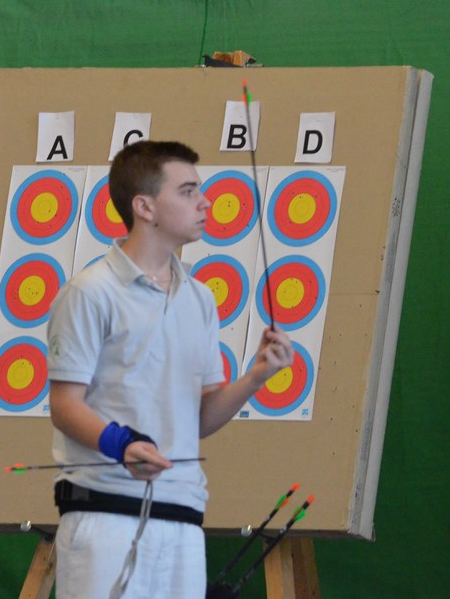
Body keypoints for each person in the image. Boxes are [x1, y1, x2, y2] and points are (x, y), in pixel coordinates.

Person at [47, 140, 293, 598]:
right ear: (144, 207)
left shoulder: (200, 298)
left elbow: (199, 418)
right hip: (106, 516)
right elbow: (64, 406)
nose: (206, 202)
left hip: (182, 517)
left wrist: (256, 376)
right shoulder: (90, 292)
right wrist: (122, 445)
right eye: (187, 191)